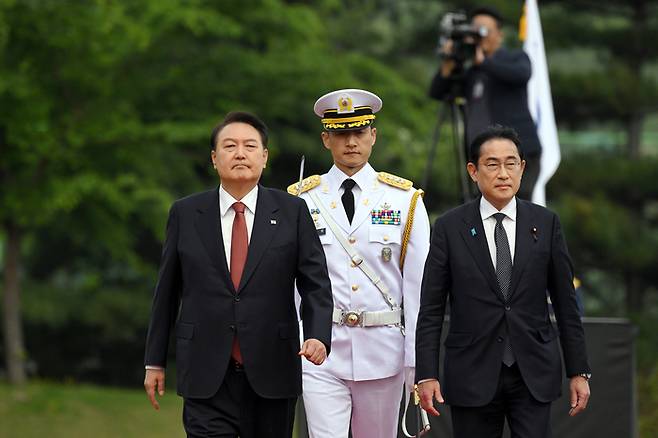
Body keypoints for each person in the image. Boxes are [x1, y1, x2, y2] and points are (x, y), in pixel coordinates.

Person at [143, 111, 334, 438]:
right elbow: (167, 292)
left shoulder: (292, 212)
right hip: (206, 372)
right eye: (230, 146)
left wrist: (317, 335)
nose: (240, 153)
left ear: (264, 157)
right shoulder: (186, 213)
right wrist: (154, 361)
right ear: (215, 159)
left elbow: (316, 283)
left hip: (273, 370)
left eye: (250, 146)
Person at [415, 125, 591, 438]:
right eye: (492, 164)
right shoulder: (449, 227)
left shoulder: (546, 223)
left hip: (533, 370)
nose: (503, 173)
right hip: (471, 371)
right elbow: (430, 308)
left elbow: (566, 305)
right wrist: (426, 373)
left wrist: (578, 370)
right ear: (473, 170)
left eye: (511, 163)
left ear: (522, 168)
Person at [288, 89, 430, 438]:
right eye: (340, 134)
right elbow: (291, 283)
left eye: (359, 132)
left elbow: (417, 286)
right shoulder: (302, 199)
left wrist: (417, 362)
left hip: (383, 348)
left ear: (373, 136)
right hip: (321, 348)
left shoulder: (404, 199)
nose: (351, 142)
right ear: (326, 139)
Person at [430, 6, 542, 201]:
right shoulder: (472, 73)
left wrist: (484, 62)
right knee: (483, 215)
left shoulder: (514, 58)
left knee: (518, 211)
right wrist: (449, 60)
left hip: (517, 153)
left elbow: (521, 74)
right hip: (483, 157)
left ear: (499, 34)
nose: (479, 36)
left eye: (484, 30)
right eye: (475, 31)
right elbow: (438, 92)